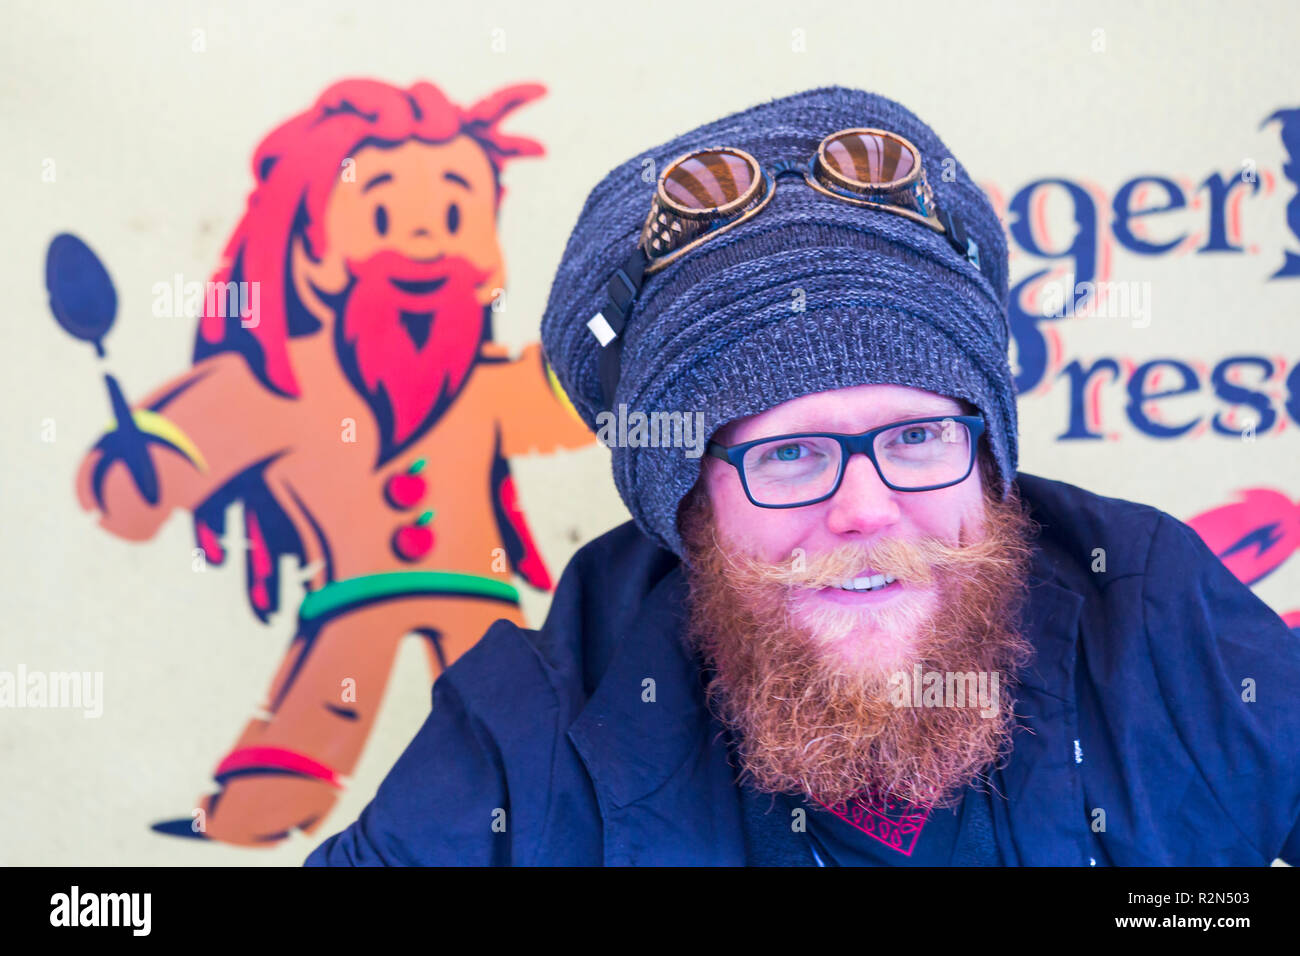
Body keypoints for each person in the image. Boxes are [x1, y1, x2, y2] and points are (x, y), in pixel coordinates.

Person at [304, 86, 1300, 866]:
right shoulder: (536, 726)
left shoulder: (1147, 612)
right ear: (687, 506)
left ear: (988, 458)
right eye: (789, 454)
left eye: (914, 438)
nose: (865, 510)